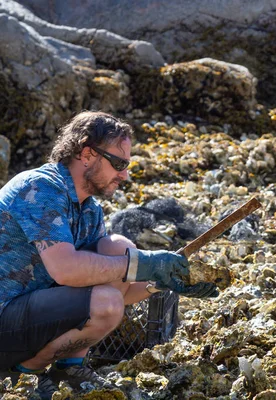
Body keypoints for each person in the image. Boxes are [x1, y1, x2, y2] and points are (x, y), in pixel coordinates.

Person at [0, 111, 218, 397]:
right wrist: (146, 264)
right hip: (5, 316)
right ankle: (23, 373)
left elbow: (120, 282)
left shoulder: (88, 209)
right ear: (87, 154)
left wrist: (164, 280)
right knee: (106, 301)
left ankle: (69, 368)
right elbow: (67, 270)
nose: (124, 175)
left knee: (117, 248)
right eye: (118, 163)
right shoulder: (39, 188)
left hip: (28, 314)